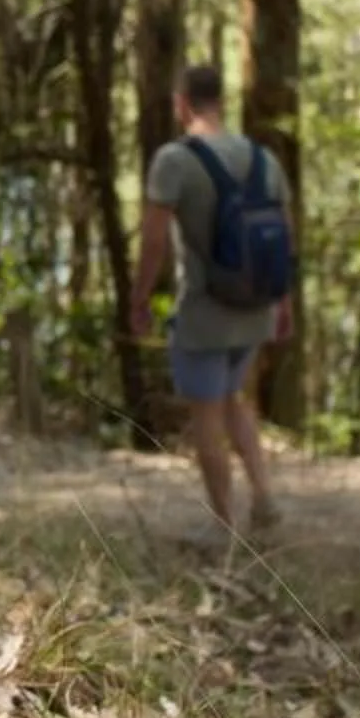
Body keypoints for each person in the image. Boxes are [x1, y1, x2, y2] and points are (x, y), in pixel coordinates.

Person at [132, 64, 292, 537]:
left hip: (205, 310)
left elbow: (154, 242)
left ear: (182, 103)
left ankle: (222, 522)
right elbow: (286, 235)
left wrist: (140, 299)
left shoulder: (174, 161)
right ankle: (263, 497)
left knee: (206, 414)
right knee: (233, 399)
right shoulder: (263, 158)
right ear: (221, 101)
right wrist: (283, 304)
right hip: (256, 308)